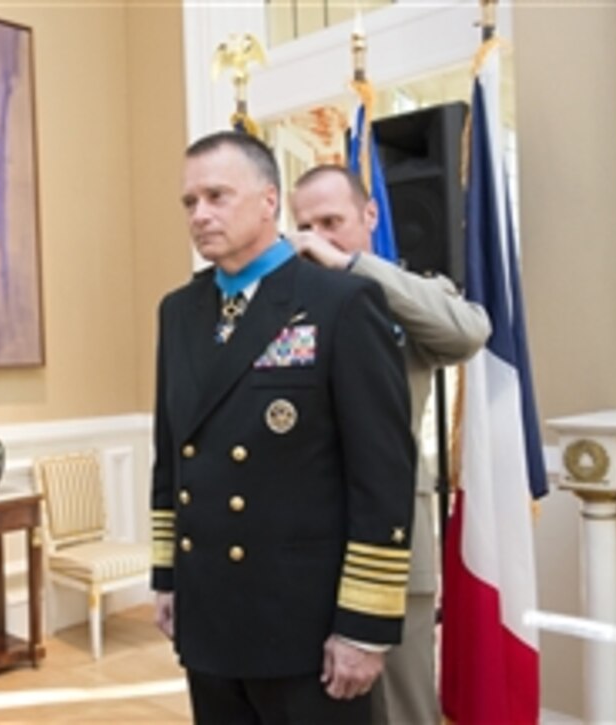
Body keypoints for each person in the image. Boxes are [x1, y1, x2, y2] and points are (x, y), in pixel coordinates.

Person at [151, 130, 416, 723]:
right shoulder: (179, 312)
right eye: (190, 202)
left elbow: (382, 476)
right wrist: (169, 579)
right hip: (211, 614)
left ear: (269, 201)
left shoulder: (340, 303)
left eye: (218, 195)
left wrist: (365, 627)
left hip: (306, 628)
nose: (201, 214)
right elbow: (170, 457)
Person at [288, 164, 492, 725]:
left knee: (402, 709)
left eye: (333, 222)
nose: (317, 239)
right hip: (305, 542)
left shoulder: (402, 294)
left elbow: (468, 332)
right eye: (304, 226)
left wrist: (352, 267)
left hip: (393, 544)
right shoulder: (288, 302)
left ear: (369, 216)